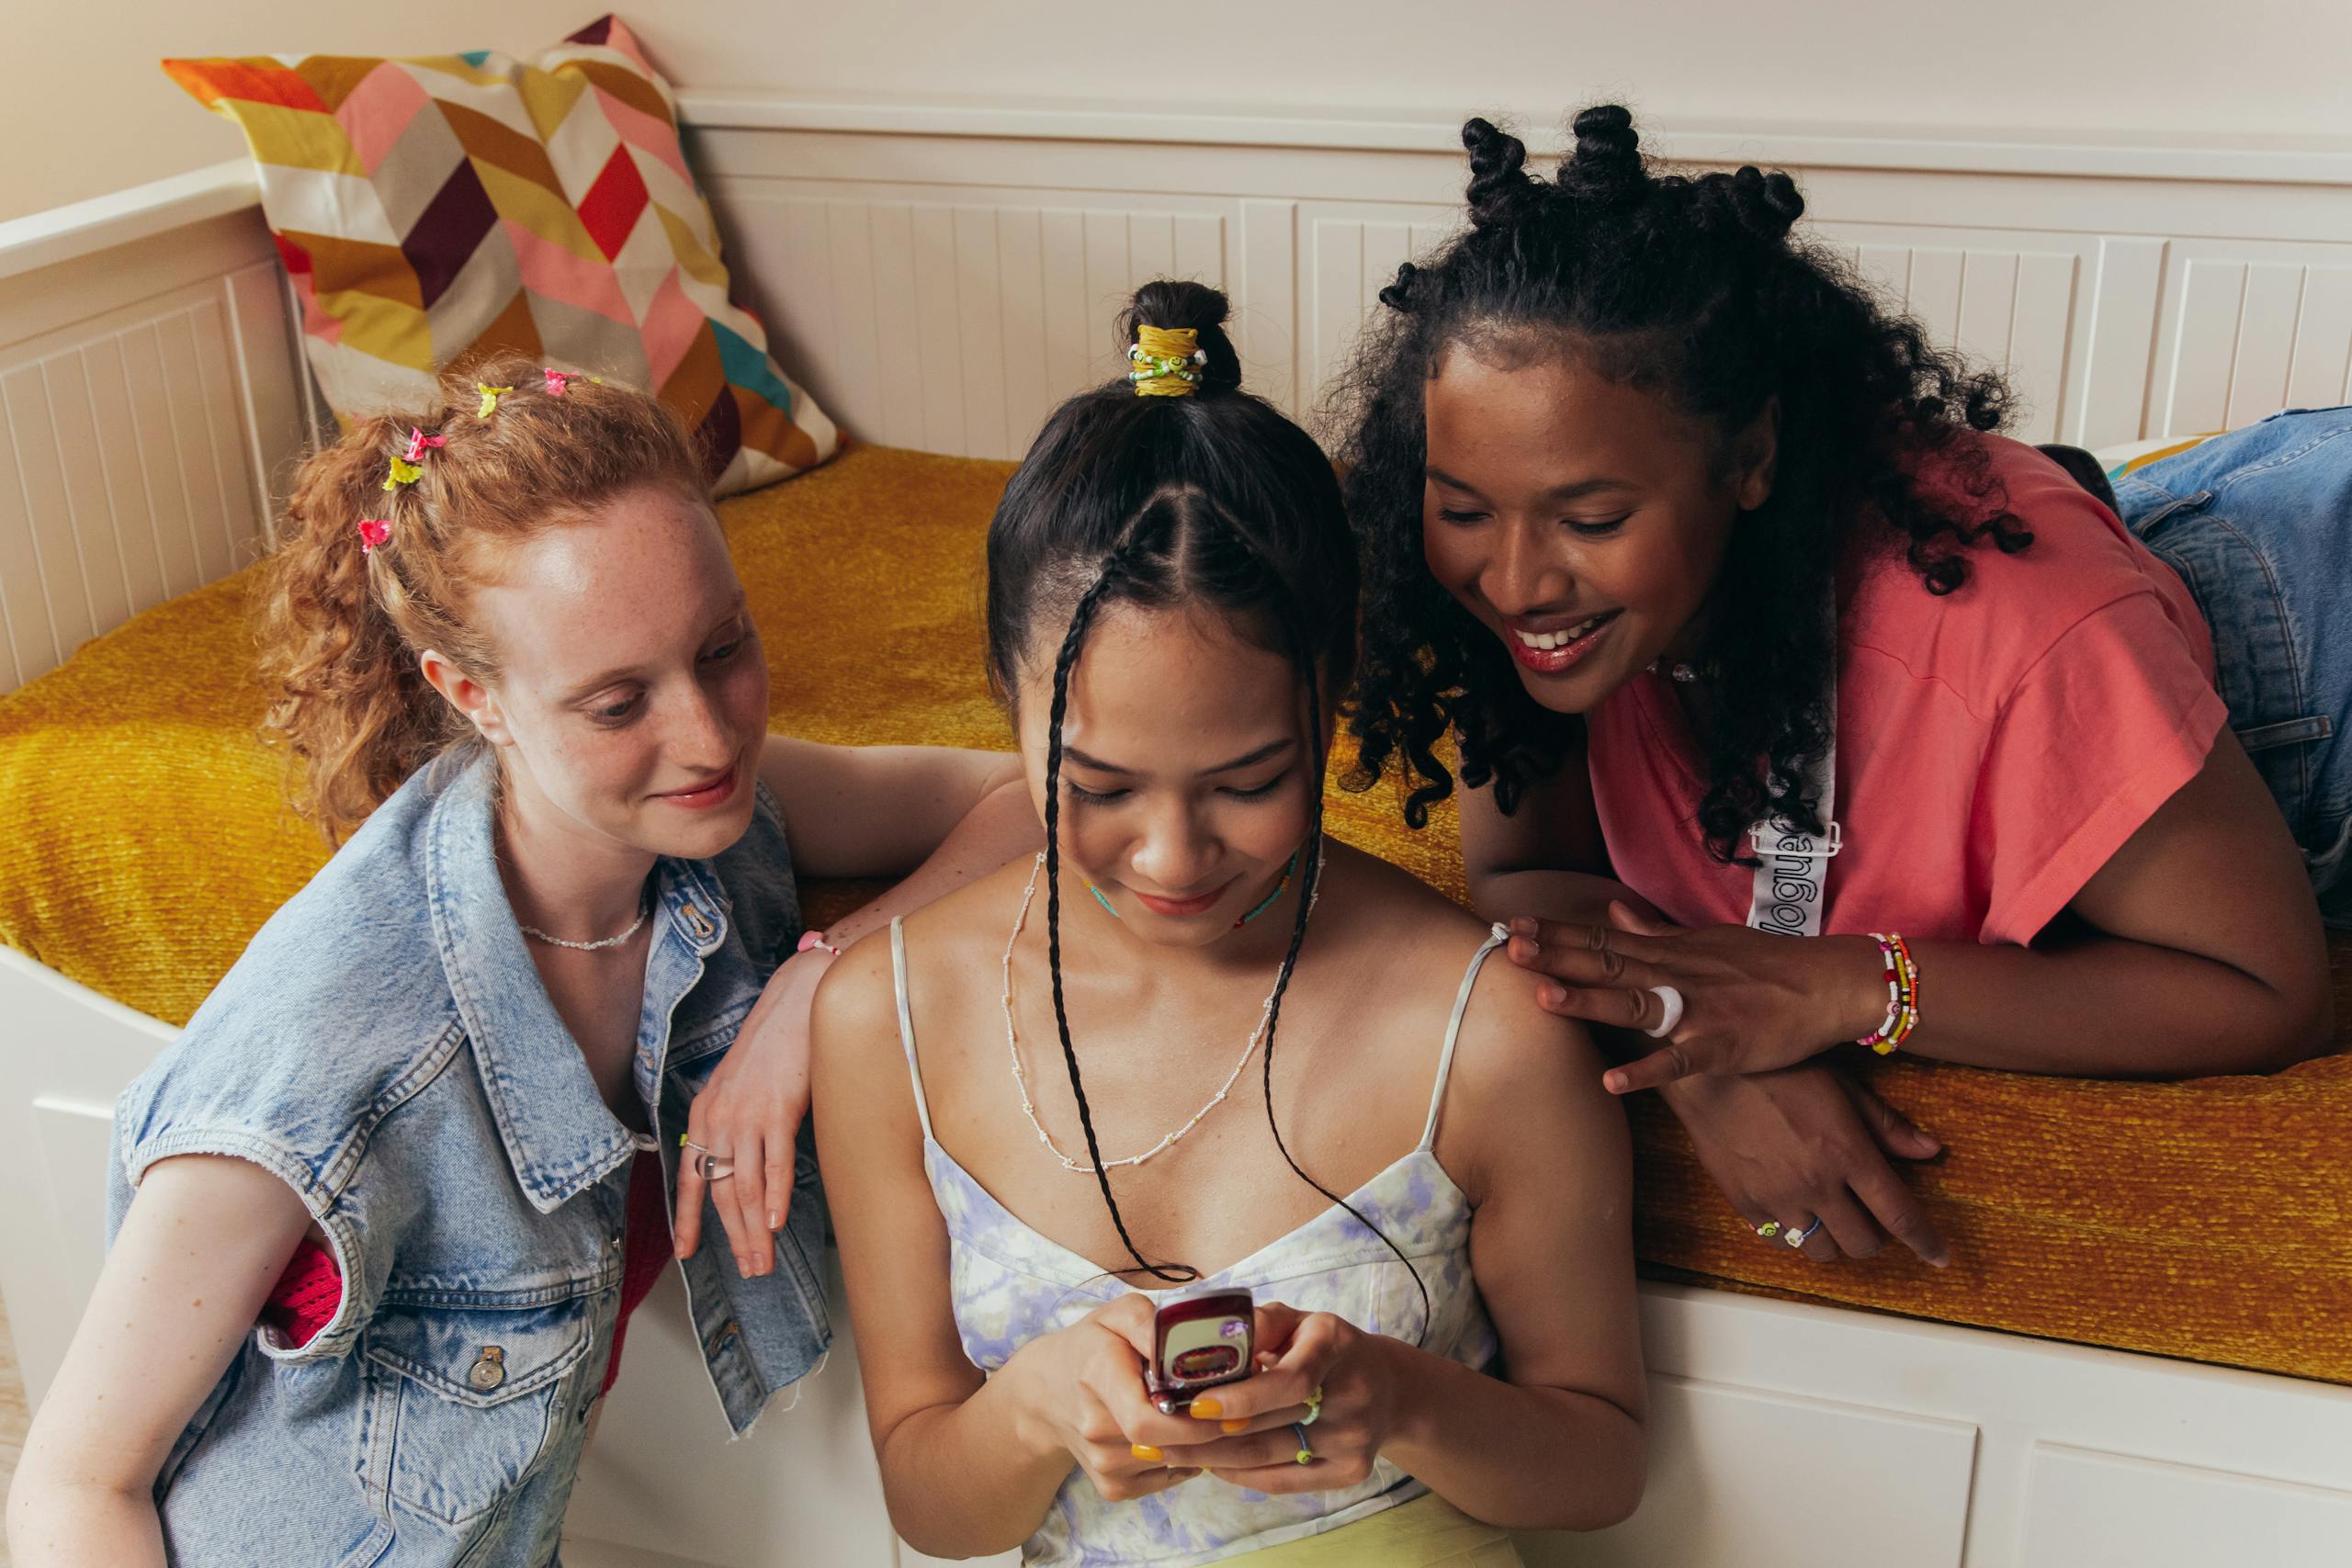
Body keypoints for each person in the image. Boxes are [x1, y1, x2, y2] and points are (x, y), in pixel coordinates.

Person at [6, 358, 1034, 1566]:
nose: (706, 734)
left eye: (724, 646)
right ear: (470, 693)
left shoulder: (708, 820)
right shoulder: (332, 1038)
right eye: (615, 703)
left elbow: (1034, 798)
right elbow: (76, 1480)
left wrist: (818, 982)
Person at [1337, 108, 2333, 1267]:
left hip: (2306, 646)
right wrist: (1693, 1044)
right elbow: (1523, 872)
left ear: (1753, 460)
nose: (1512, 578)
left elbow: (2265, 992)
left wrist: (1846, 988)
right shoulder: (1503, 581)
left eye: (1592, 518)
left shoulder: (2027, 646)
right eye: (1464, 507)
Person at [810, 283, 1646, 1567]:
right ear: (1002, 699)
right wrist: (1033, 1407)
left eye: (1251, 782)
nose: (1170, 856)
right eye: (1094, 786)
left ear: (1335, 691)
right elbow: (932, 1505)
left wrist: (1399, 1398)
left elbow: (1598, 1460)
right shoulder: (887, 1014)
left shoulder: (1487, 1029)